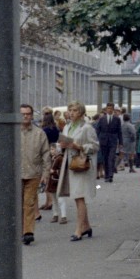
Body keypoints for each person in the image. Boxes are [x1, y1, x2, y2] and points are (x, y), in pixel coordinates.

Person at [58, 100, 99, 241]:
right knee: (77, 196)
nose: (71, 113)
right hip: (70, 164)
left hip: (81, 165)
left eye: (74, 110)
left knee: (79, 196)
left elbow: (94, 146)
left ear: (81, 112)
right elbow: (64, 144)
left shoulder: (87, 127)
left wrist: (79, 146)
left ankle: (78, 230)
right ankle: (86, 226)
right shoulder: (67, 127)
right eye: (70, 110)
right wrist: (60, 146)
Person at [20, 104, 51, 246]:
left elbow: (46, 154)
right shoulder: (13, 132)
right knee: (17, 204)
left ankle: (28, 232)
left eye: (28, 114)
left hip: (33, 173)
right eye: (23, 114)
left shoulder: (39, 133)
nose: (25, 116)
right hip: (16, 175)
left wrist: (46, 173)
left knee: (29, 203)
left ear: (32, 115)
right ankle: (19, 230)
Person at [94, 101, 121, 183]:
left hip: (113, 141)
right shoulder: (102, 119)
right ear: (106, 109)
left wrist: (121, 142)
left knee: (111, 158)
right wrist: (95, 140)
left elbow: (119, 131)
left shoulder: (117, 119)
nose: (109, 110)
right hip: (103, 141)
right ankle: (106, 175)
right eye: (108, 108)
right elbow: (97, 130)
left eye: (111, 108)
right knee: (105, 158)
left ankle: (110, 175)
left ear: (113, 110)